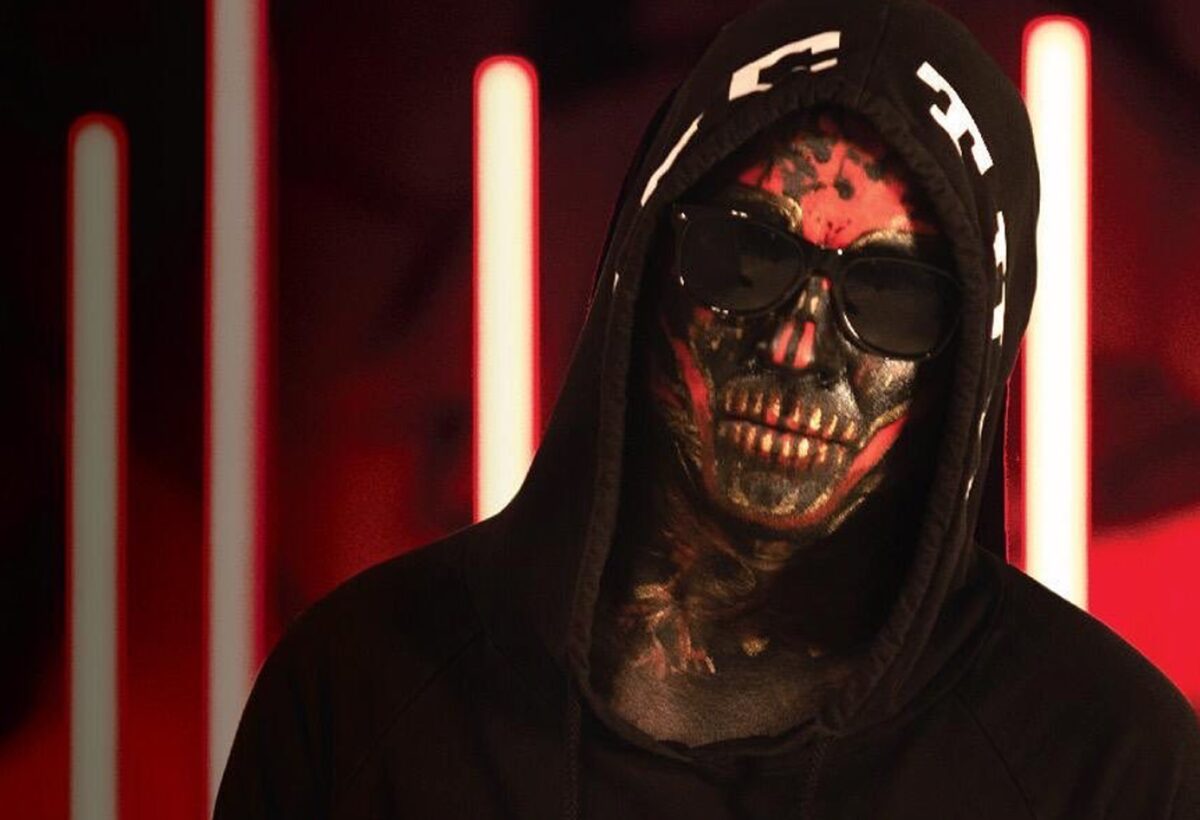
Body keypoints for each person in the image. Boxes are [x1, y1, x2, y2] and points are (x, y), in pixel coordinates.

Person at [214, 0, 1200, 817]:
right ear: (643, 268)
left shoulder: (1107, 766)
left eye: (891, 296)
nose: (799, 348)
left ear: (968, 362)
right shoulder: (360, 693)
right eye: (746, 256)